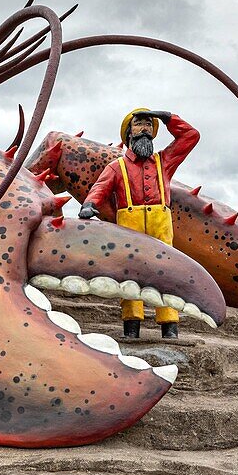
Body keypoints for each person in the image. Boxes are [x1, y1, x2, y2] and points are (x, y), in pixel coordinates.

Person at [80, 108, 200, 339]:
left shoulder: (164, 161)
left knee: (166, 273)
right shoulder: (117, 167)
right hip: (129, 226)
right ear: (129, 132)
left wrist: (168, 118)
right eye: (139, 124)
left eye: (148, 124)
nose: (144, 128)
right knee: (130, 275)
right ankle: (132, 326)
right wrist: (89, 204)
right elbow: (99, 188)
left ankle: (170, 327)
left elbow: (191, 136)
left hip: (160, 224)